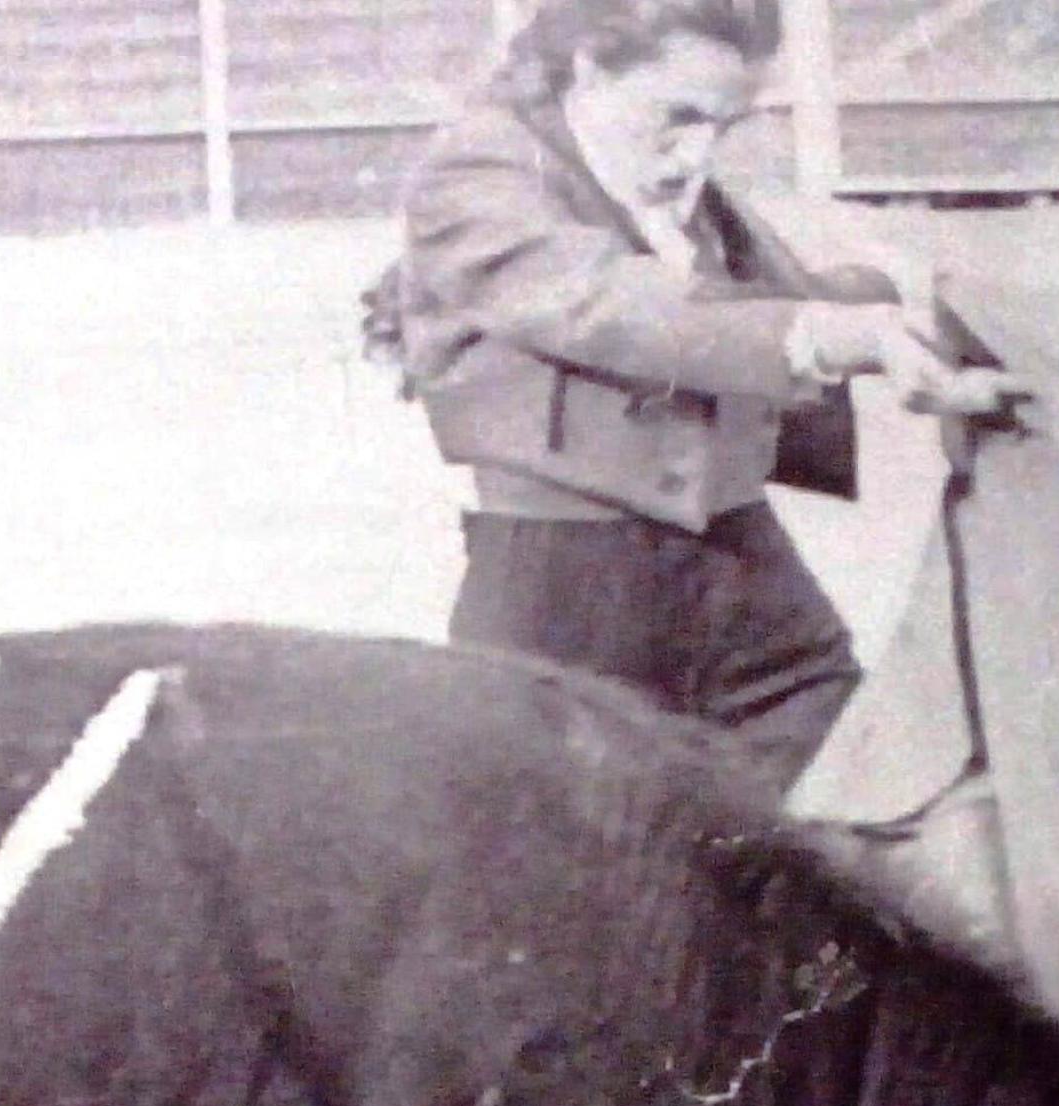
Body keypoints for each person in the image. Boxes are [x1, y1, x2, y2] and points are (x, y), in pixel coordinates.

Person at [370, 0, 1004, 798]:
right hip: (567, 588)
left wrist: (923, 318)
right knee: (571, 867)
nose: (699, 154)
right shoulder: (479, 171)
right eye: (679, 116)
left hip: (739, 561)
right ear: (592, 68)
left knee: (851, 797)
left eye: (724, 127)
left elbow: (780, 299)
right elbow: (614, 309)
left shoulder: (651, 164)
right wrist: (851, 336)